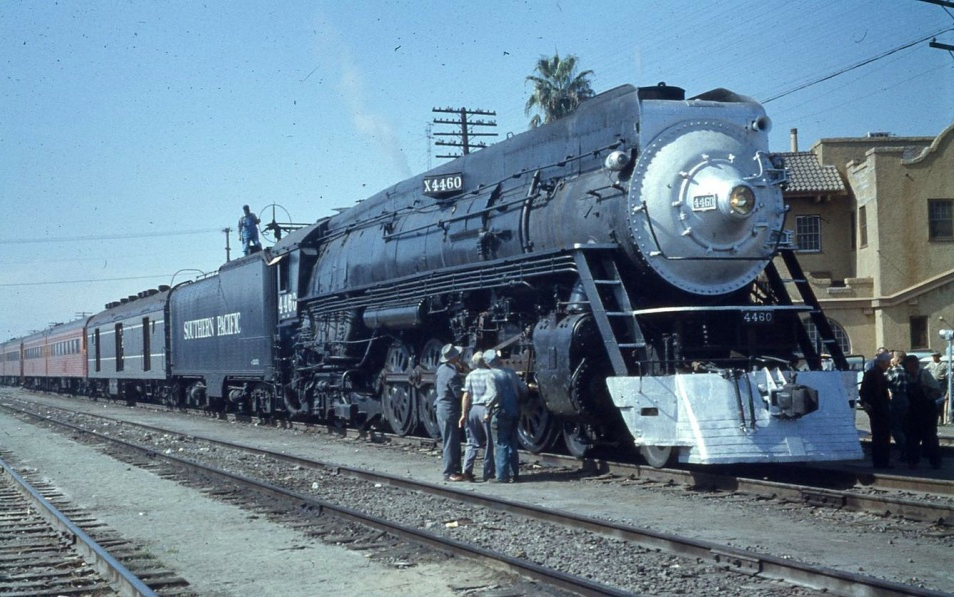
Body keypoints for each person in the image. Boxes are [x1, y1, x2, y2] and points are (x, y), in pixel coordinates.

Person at [484, 349, 528, 483]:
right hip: (515, 410)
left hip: (500, 412)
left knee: (501, 443)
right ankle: (515, 474)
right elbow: (524, 389)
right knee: (513, 443)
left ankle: (502, 476)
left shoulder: (491, 375)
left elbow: (493, 395)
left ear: (487, 363)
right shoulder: (510, 372)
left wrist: (487, 410)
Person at [459, 351, 496, 482]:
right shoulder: (491, 374)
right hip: (486, 409)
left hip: (473, 409)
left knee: (472, 442)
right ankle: (488, 472)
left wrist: (463, 414)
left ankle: (467, 471)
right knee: (490, 443)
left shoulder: (470, 375)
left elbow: (466, 396)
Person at [901, 354, 942, 469]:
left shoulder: (924, 374)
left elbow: (937, 389)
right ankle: (912, 461)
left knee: (930, 436)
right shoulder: (907, 376)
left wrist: (929, 395)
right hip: (913, 411)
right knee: (912, 436)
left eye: (907, 366)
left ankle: (935, 461)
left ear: (913, 365)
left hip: (927, 410)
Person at [435, 344, 465, 482]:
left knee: (452, 440)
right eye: (457, 355)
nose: (459, 356)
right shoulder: (452, 374)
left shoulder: (441, 369)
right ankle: (448, 472)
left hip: (442, 407)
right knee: (450, 441)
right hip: (449, 410)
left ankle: (455, 469)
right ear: (453, 357)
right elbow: (458, 393)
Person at [858, 351, 892, 468]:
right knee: (881, 435)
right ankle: (881, 462)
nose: (889, 365)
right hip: (878, 408)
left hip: (878, 407)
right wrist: (866, 403)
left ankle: (881, 461)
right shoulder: (874, 373)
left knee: (880, 435)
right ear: (882, 362)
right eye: (887, 363)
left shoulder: (875, 373)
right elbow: (865, 391)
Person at [884, 350, 909, 458]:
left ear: (898, 359)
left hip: (897, 398)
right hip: (906, 398)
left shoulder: (895, 370)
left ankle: (904, 449)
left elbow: (884, 380)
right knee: (904, 426)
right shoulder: (907, 370)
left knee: (895, 426)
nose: (891, 360)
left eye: (892, 357)